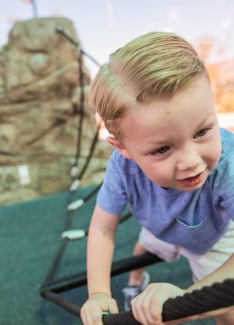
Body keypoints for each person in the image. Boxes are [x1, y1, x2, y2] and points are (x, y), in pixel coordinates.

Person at [80, 31, 234, 325]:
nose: (191, 161)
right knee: (148, 242)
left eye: (202, 131)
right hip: (160, 223)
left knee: (227, 311)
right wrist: (98, 292)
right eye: (163, 149)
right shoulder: (121, 167)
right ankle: (134, 284)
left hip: (213, 235)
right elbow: (102, 228)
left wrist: (187, 301)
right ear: (123, 148)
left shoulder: (228, 164)